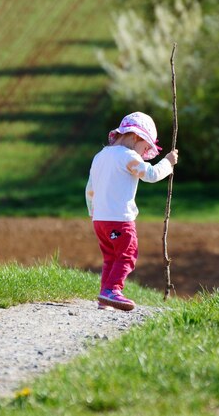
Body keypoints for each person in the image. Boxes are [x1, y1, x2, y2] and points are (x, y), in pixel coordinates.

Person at [85, 112, 178, 311]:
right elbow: (150, 175)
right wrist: (167, 163)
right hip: (119, 219)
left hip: (99, 220)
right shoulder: (128, 156)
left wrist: (93, 212)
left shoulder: (100, 156)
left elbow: (90, 189)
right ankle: (112, 290)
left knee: (111, 257)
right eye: (145, 148)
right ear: (135, 136)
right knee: (127, 254)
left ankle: (105, 296)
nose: (144, 154)